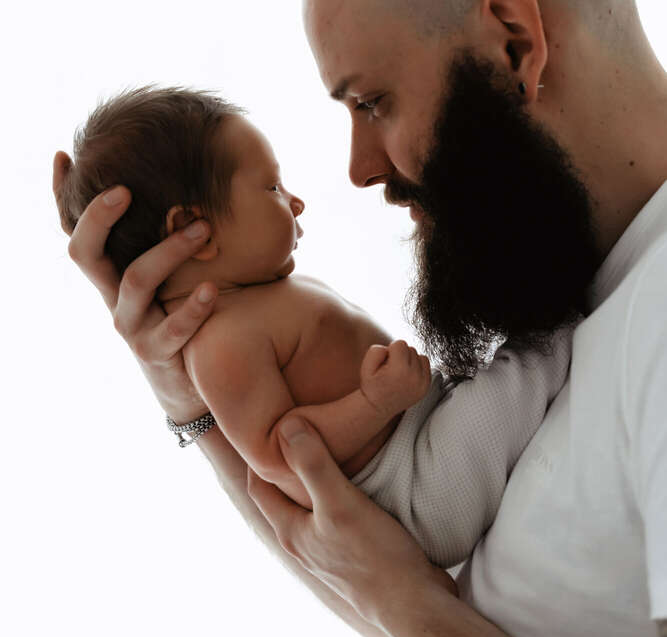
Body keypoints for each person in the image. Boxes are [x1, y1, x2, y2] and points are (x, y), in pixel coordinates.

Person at [54, 0, 667, 637]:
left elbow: (415, 614)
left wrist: (408, 605)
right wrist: (188, 391)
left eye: (372, 101)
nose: (356, 170)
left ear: (512, 44)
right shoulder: (586, 309)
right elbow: (429, 632)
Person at [57, 84, 572, 559]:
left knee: (513, 376)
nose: (295, 201)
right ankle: (577, 327)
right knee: (533, 361)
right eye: (273, 187)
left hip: (421, 437)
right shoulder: (222, 342)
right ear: (194, 229)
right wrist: (375, 402)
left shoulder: (261, 296)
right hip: (408, 491)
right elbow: (279, 459)